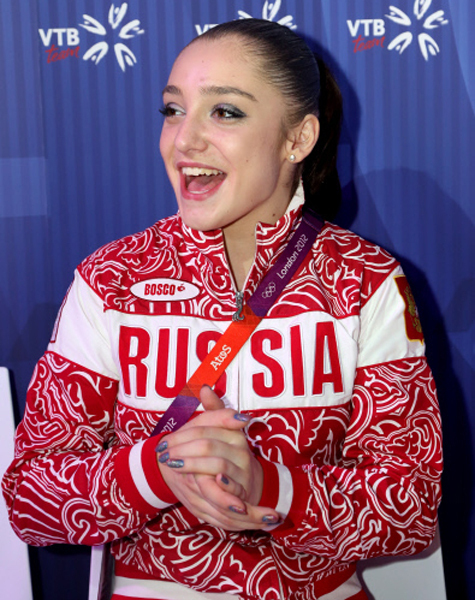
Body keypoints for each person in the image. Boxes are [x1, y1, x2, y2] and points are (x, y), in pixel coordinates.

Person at [2, 18, 442, 600]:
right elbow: (31, 501)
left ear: (298, 139)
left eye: (225, 112)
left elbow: (412, 508)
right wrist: (157, 470)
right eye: (172, 110)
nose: (183, 140)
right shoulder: (112, 279)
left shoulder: (365, 278)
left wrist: (269, 486)